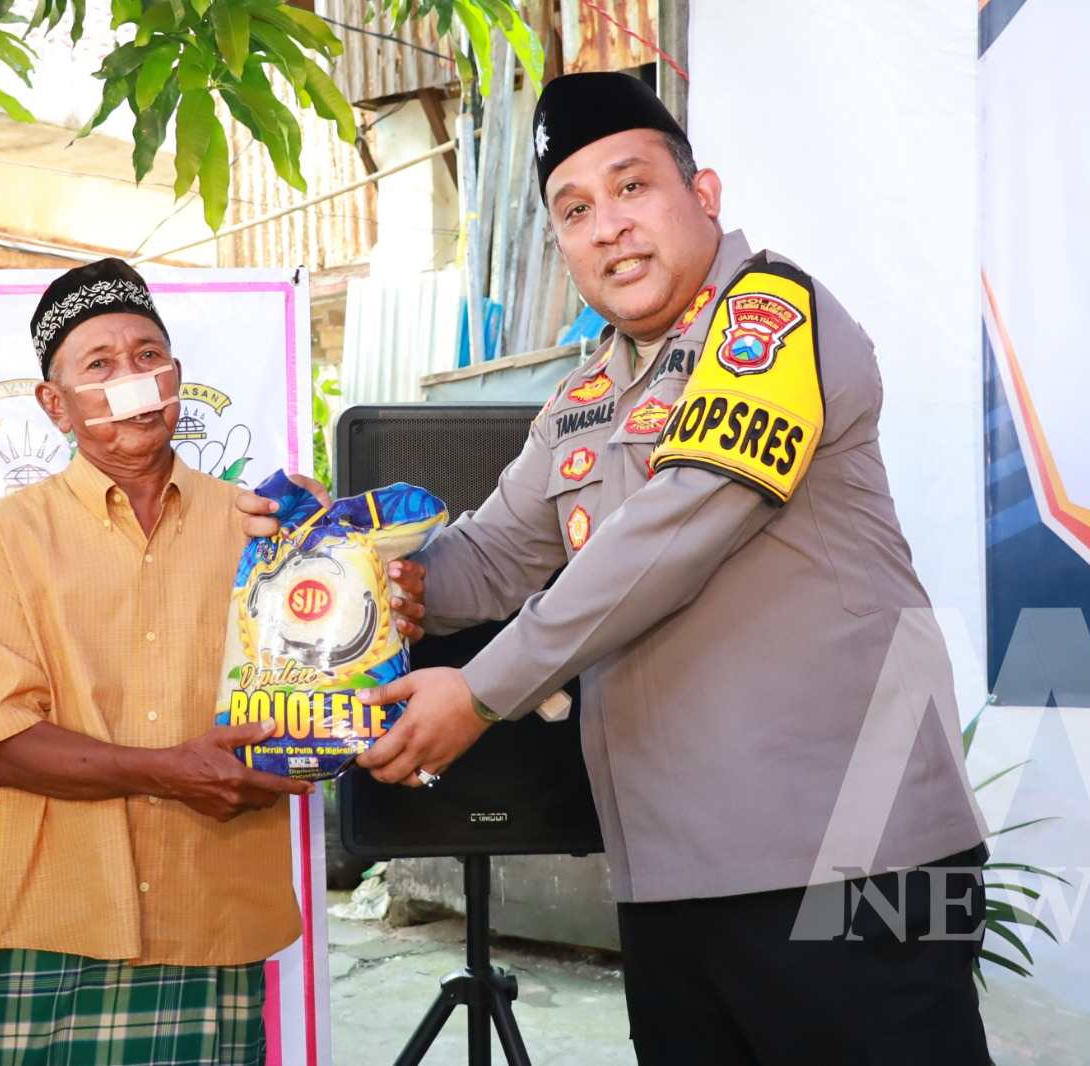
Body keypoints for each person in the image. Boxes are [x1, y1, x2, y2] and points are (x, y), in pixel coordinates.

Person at [242, 73, 991, 1064]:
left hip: (848, 859)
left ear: (703, 194)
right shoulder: (585, 396)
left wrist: (482, 692)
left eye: (632, 187)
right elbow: (485, 560)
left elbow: (679, 528)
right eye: (575, 209)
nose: (608, 227)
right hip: (671, 877)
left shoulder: (773, 316)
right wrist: (335, 551)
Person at [0, 258, 422, 1066]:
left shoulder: (264, 523)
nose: (133, 382)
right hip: (55, 916)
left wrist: (374, 604)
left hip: (214, 910)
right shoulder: (7, 539)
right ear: (54, 405)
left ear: (176, 378)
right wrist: (168, 771)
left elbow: (326, 670)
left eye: (148, 356)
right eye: (100, 365)